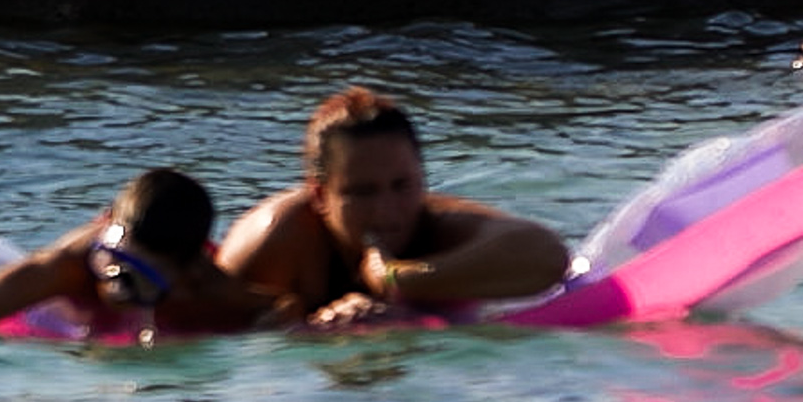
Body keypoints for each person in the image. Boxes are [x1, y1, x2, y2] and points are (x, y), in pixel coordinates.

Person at [220, 89, 572, 325]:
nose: (386, 211)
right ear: (318, 195)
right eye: (362, 192)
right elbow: (201, 330)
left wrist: (397, 278)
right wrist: (310, 325)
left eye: (402, 186)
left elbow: (549, 254)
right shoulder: (276, 239)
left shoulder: (436, 224)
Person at [0, 167, 281, 340]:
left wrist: (264, 330)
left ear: (185, 272)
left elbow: (281, 305)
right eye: (113, 263)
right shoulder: (68, 267)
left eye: (136, 277)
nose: (116, 282)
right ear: (105, 226)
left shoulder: (200, 283)